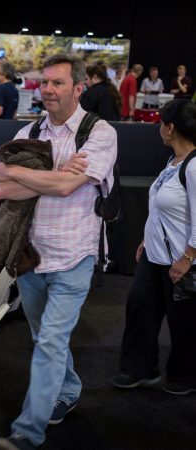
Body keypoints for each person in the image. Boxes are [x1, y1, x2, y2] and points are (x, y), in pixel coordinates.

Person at [0, 53, 117, 450]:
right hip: (31, 254)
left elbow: (64, 188)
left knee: (49, 342)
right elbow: (3, 188)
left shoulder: (99, 134)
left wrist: (26, 175)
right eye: (44, 82)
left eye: (57, 83)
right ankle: (68, 389)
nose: (47, 89)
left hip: (75, 255)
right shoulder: (29, 132)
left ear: (79, 88)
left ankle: (27, 433)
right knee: (42, 335)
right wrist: (56, 175)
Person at [112, 98, 196, 396]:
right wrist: (147, 240)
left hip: (181, 261)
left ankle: (185, 376)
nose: (158, 128)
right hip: (154, 256)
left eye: (161, 123)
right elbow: (164, 209)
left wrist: (187, 258)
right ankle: (139, 369)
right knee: (140, 309)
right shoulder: (172, 162)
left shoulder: (194, 167)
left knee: (184, 323)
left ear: (171, 128)